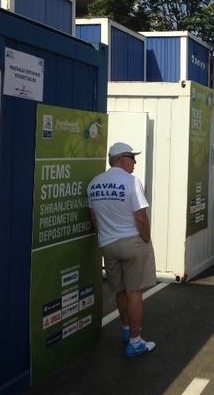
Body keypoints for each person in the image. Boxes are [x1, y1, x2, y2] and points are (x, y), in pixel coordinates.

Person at [87, 142, 157, 357]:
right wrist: (146, 239)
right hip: (131, 242)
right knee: (134, 291)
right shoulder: (131, 182)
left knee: (119, 290)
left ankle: (127, 330)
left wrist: (105, 236)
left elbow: (94, 218)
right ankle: (136, 342)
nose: (135, 162)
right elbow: (140, 217)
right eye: (132, 158)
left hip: (107, 244)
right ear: (121, 159)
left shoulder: (94, 184)